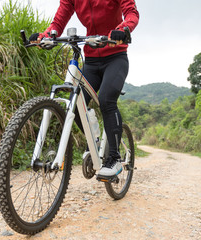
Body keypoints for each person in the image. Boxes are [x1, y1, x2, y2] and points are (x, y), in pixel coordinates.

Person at [29, 0, 139, 178]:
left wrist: (124, 29)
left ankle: (114, 158)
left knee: (106, 100)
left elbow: (132, 13)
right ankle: (94, 137)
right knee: (75, 101)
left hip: (116, 57)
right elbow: (58, 21)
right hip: (91, 61)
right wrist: (47, 35)